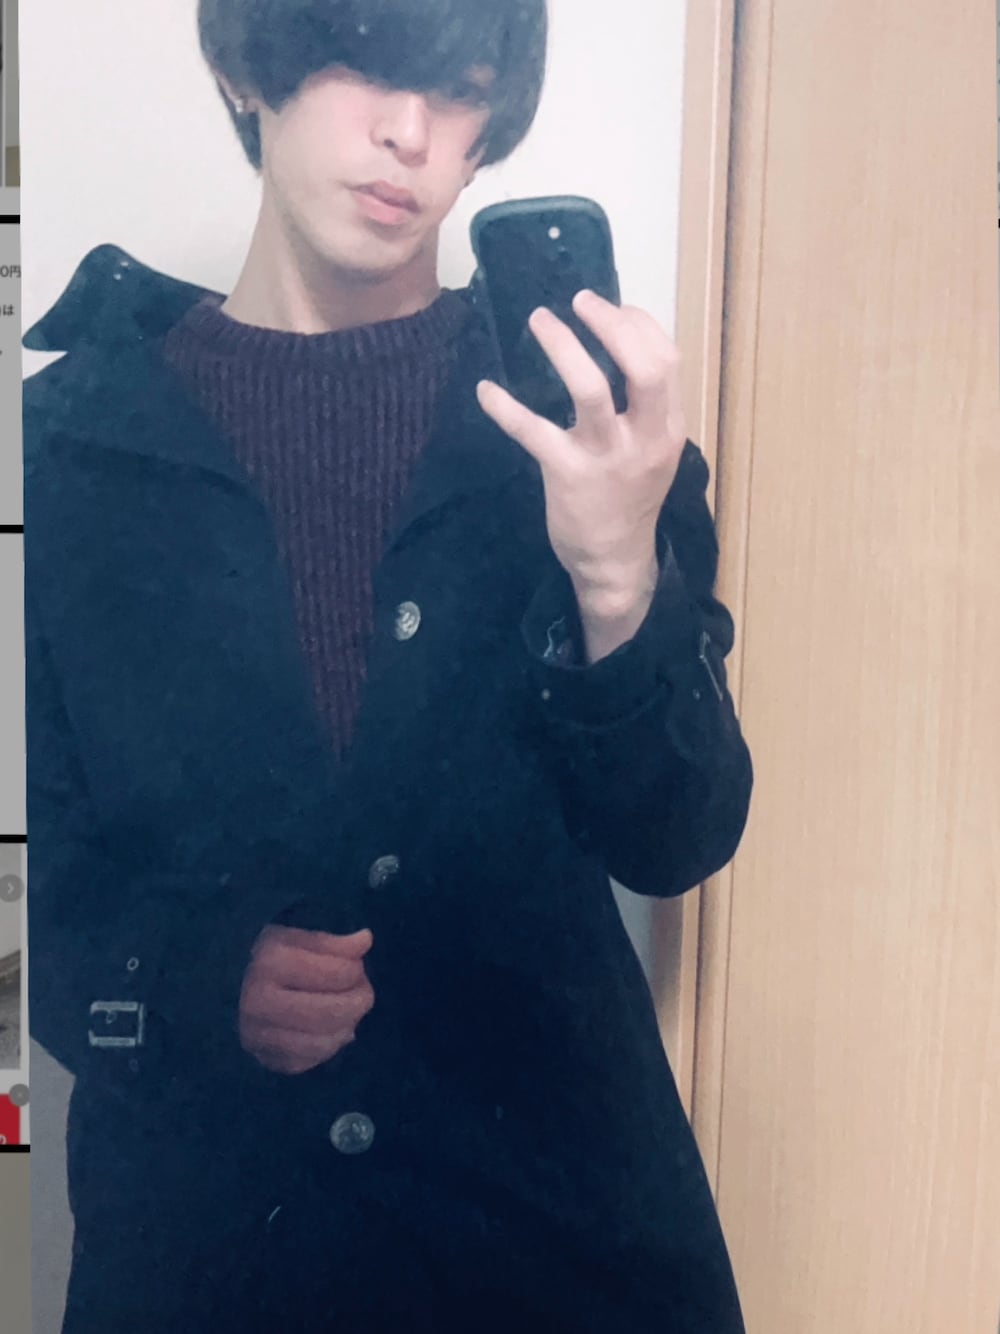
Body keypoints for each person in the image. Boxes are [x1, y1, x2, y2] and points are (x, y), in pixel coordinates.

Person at [23, 1, 753, 1329]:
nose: (412, 132)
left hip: (549, 1249)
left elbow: (678, 836)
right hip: (214, 1260)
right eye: (365, 62)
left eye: (462, 89)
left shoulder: (594, 435)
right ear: (245, 66)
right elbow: (51, 909)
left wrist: (614, 572)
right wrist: (199, 983)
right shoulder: (68, 451)